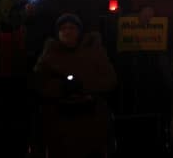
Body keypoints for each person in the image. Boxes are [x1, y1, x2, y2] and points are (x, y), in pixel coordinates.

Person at [33, 13, 117, 158]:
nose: (67, 31)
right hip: (59, 114)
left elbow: (109, 79)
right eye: (63, 28)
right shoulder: (50, 53)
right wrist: (61, 88)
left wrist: (84, 85)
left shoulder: (93, 52)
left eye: (72, 28)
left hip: (89, 114)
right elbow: (38, 81)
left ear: (79, 31)